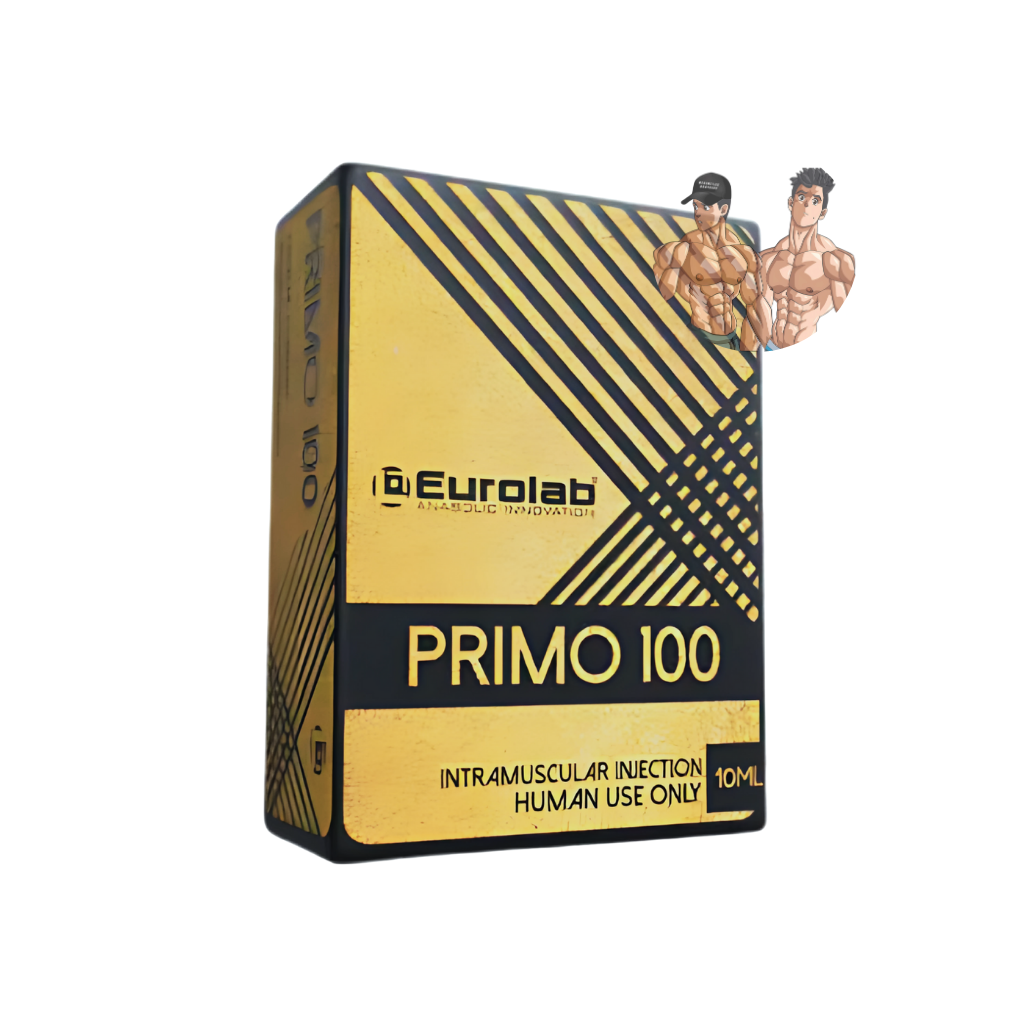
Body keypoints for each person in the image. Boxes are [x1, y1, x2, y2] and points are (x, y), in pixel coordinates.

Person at [652, 171, 770, 353]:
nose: (698, 213)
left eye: (705, 207)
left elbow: (755, 309)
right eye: (695, 206)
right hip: (696, 339)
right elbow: (660, 302)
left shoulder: (744, 254)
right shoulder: (683, 249)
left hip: (730, 341)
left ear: (723, 210)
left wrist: (750, 354)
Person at [760, 167, 855, 349]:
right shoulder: (770, 259)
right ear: (790, 203)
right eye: (802, 197)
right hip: (772, 345)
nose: (806, 206)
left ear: (823, 213)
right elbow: (762, 311)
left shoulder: (832, 260)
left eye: (815, 201)